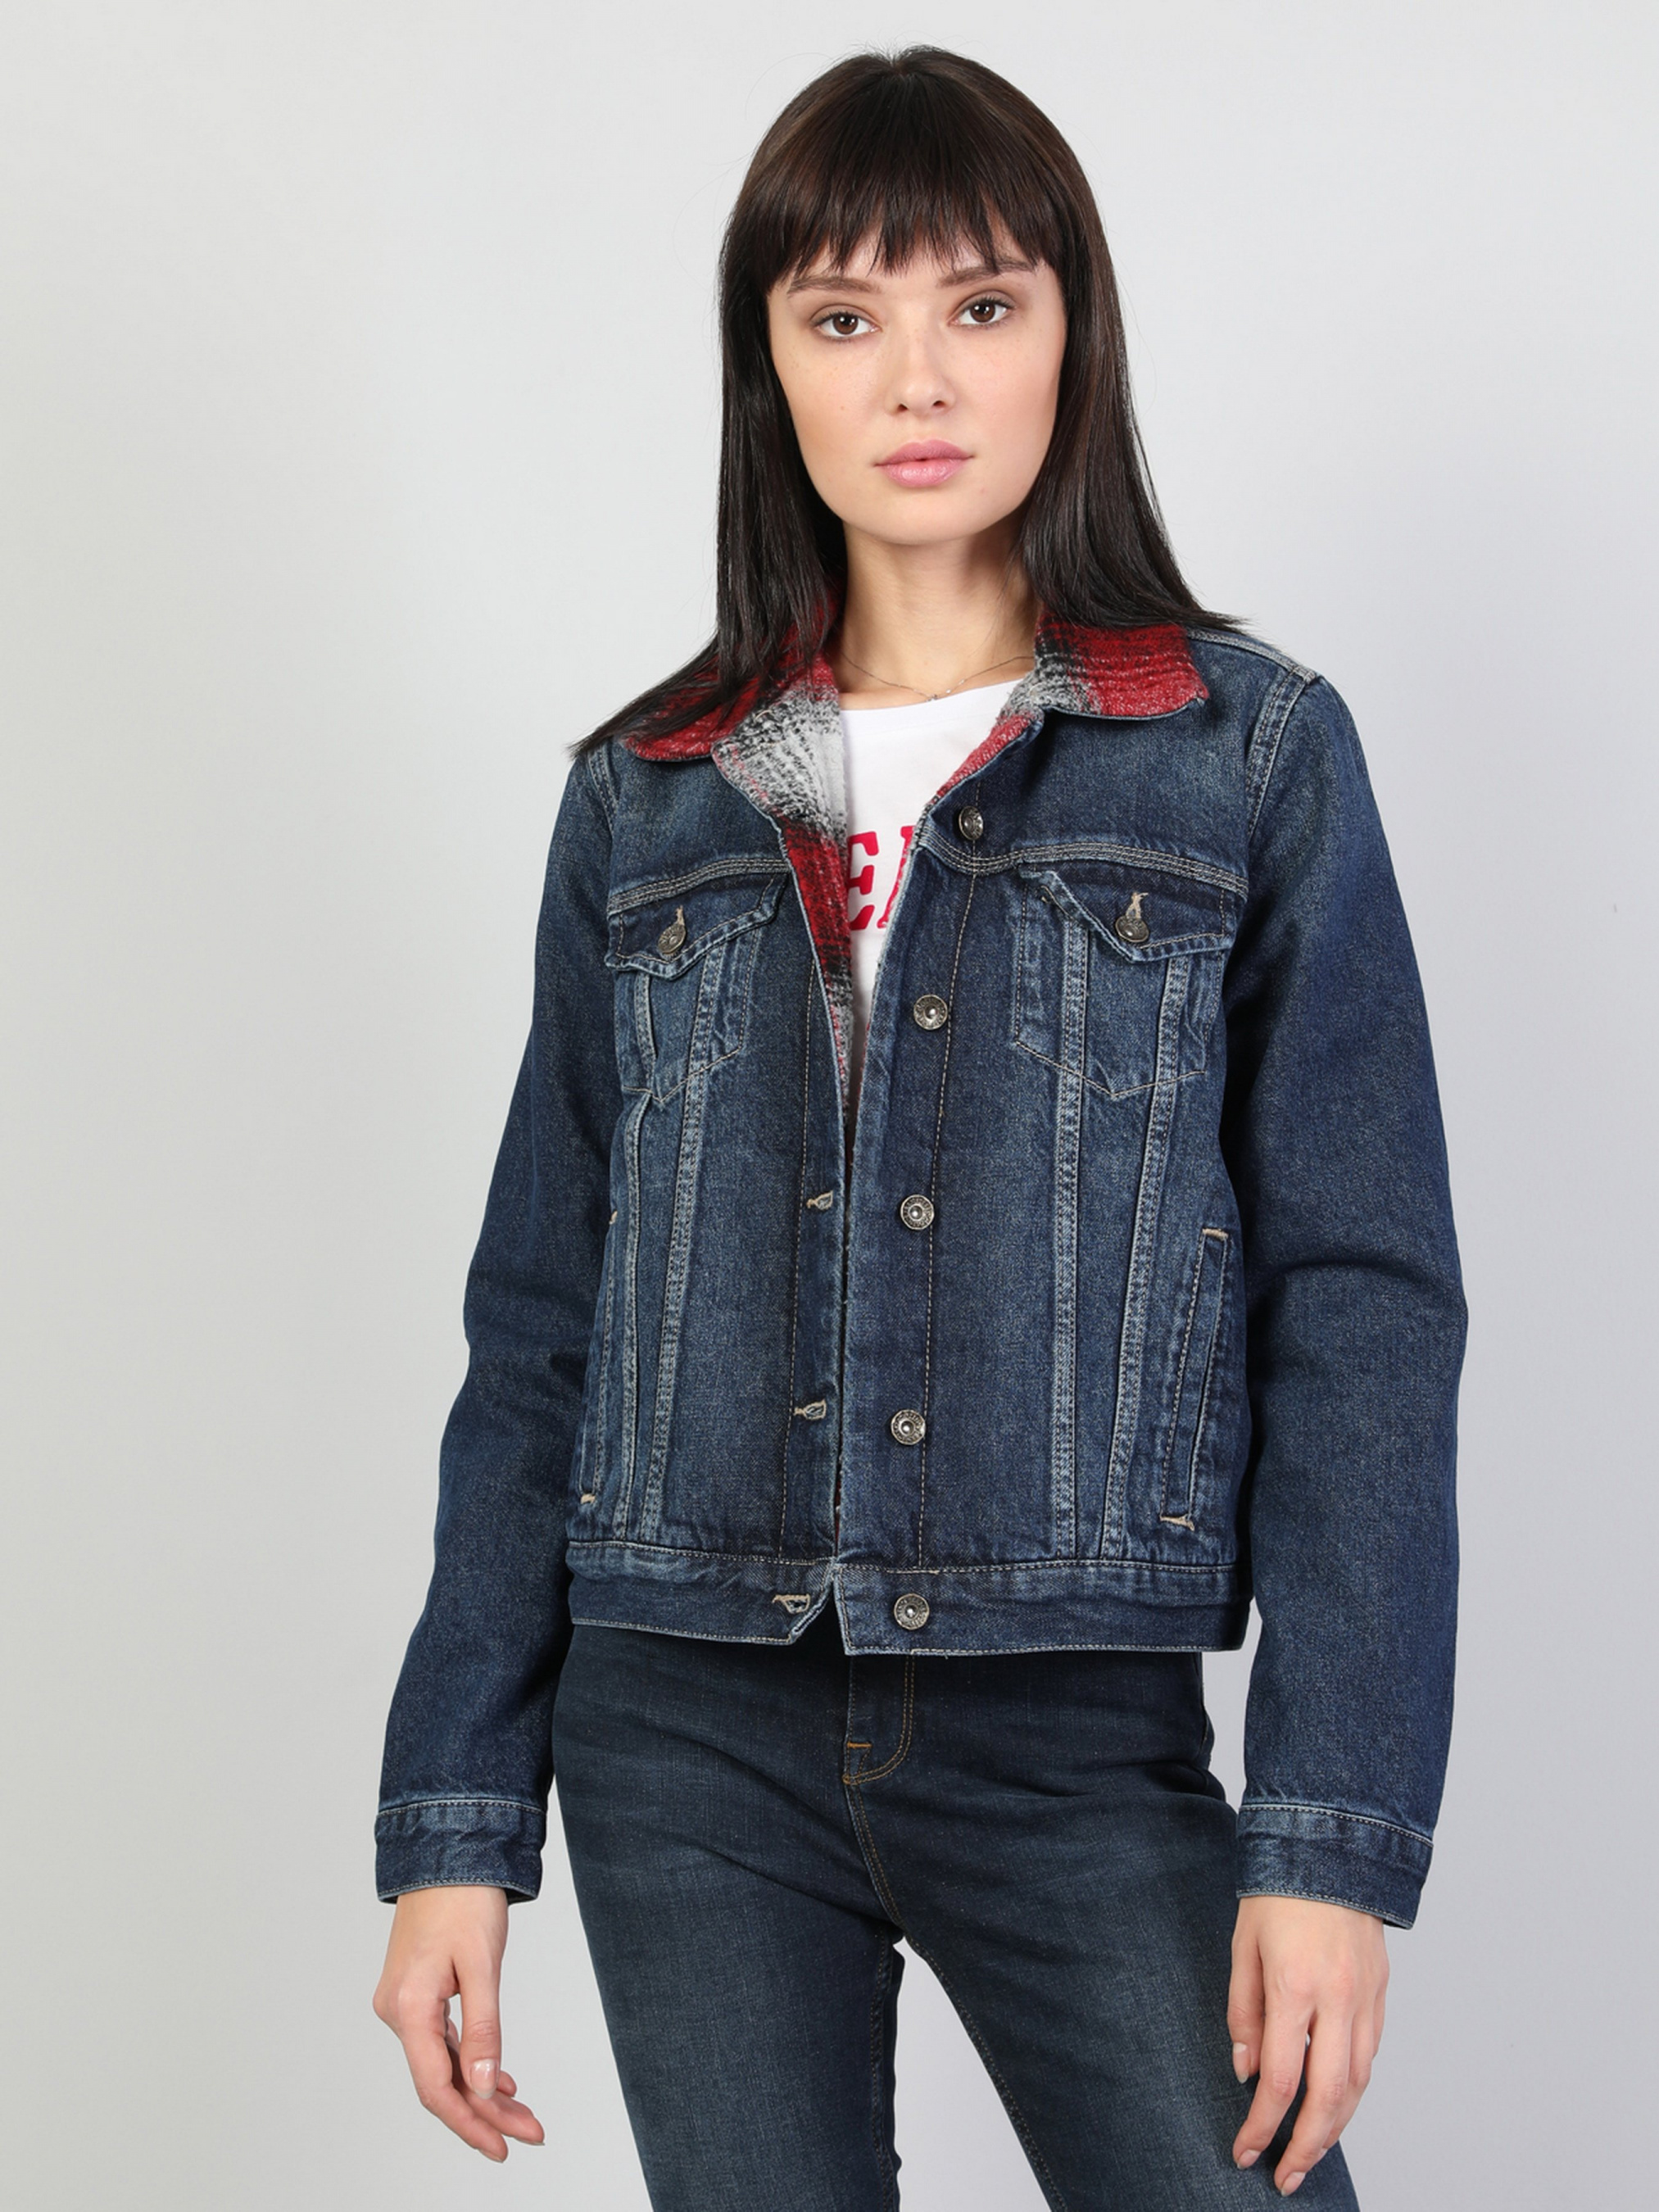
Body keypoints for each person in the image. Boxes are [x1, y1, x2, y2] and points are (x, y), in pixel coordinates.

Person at [371, 46, 1464, 2210]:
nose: (917, 378)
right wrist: (451, 1825)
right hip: (681, 1722)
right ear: (766, 363)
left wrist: (1331, 1835)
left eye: (980, 302)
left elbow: (1361, 1306)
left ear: (1072, 330)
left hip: (1071, 1719)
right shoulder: (651, 796)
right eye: (841, 315)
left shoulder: (1240, 758)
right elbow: (541, 1324)